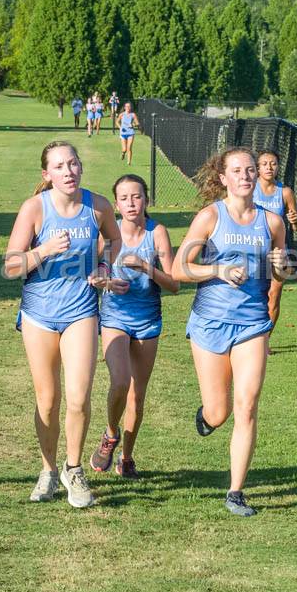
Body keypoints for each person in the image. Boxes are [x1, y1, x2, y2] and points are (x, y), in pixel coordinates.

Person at [3, 141, 127, 508]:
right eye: (59, 166)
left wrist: (104, 267)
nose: (68, 171)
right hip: (39, 314)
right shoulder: (34, 209)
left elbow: (115, 238)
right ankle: (48, 471)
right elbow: (11, 266)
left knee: (78, 397)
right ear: (47, 175)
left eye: (73, 164)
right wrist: (43, 251)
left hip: (81, 311)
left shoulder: (98, 205)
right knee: (48, 400)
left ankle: (74, 470)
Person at [172, 147, 291, 517]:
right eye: (237, 171)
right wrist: (217, 271)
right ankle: (207, 416)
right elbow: (179, 268)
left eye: (251, 170)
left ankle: (236, 492)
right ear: (223, 178)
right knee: (219, 411)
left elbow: (281, 273)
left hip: (253, 323)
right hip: (210, 322)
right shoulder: (210, 217)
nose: (245, 175)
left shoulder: (272, 223)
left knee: (247, 405)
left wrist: (283, 265)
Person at [90, 174, 178, 478]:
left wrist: (145, 267)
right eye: (124, 198)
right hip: (114, 316)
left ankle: (126, 458)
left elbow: (174, 284)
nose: (131, 203)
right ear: (116, 203)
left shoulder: (158, 233)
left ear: (146, 200)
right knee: (119, 382)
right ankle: (110, 435)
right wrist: (105, 282)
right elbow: (92, 274)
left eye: (136, 196)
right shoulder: (107, 234)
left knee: (137, 395)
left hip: (148, 319)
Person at [253, 150, 297, 347]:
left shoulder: (285, 192)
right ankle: (249, 339)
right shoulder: (250, 188)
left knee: (274, 295)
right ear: (257, 167)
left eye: (273, 164)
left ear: (278, 167)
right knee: (254, 295)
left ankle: (264, 342)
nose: (269, 167)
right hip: (253, 250)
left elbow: (296, 227)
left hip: (278, 252)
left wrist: (295, 222)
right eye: (264, 164)